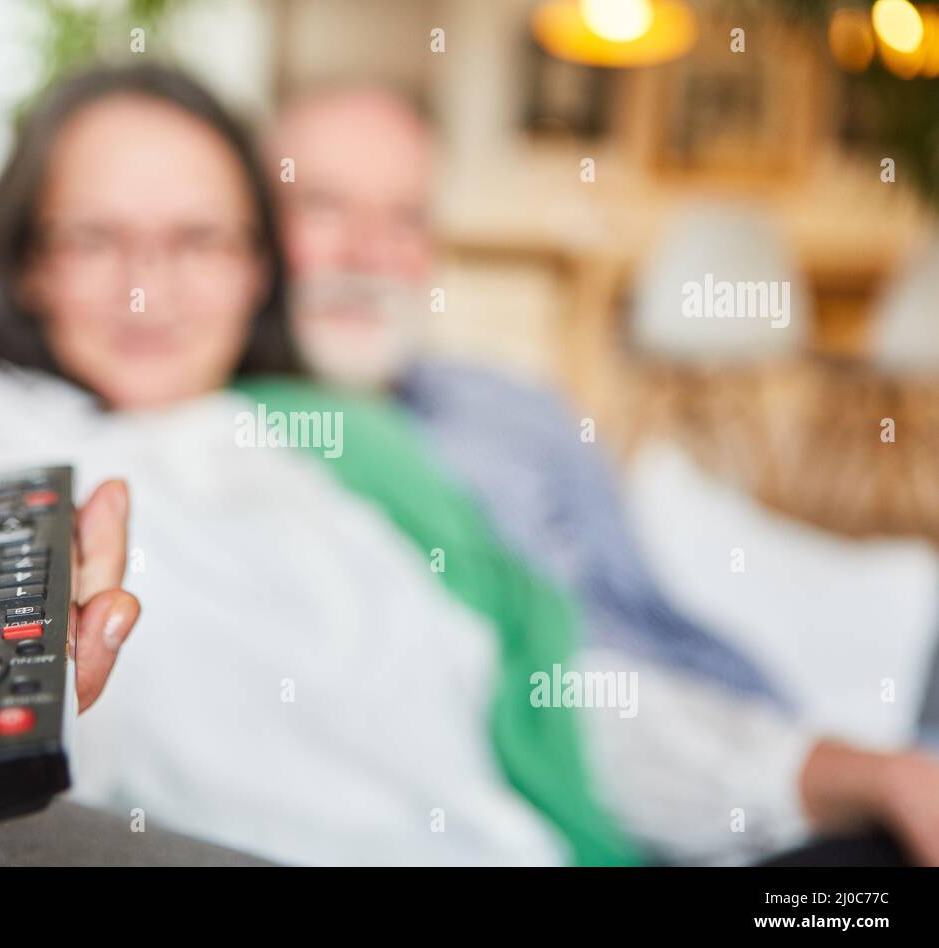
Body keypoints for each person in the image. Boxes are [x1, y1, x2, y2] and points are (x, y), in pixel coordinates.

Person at [266, 85, 939, 864]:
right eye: (321, 208)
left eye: (404, 217)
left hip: (770, 715)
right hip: (702, 805)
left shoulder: (510, 404)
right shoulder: (262, 457)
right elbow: (570, 702)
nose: (367, 252)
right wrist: (851, 776)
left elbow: (647, 603)